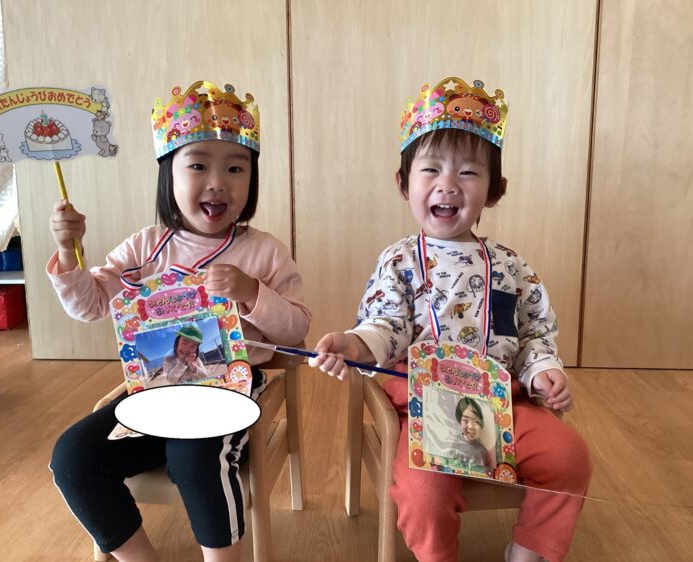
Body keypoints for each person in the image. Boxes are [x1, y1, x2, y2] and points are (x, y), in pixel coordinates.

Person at [309, 77, 591, 562]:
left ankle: (530, 548)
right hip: (423, 410)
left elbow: (534, 333)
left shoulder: (511, 266)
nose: (448, 184)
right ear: (404, 184)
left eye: (468, 172)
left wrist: (544, 371)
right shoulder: (400, 260)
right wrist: (353, 345)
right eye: (431, 169)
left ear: (495, 190)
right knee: (425, 494)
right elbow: (385, 324)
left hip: (502, 406)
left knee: (570, 457)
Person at [47, 80, 310, 562]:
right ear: (168, 174)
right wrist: (68, 252)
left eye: (236, 168)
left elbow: (296, 330)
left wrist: (251, 292)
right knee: (73, 457)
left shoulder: (264, 251)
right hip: (154, 393)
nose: (218, 182)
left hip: (230, 389)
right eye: (198, 165)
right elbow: (90, 305)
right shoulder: (145, 246)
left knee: (192, 454)